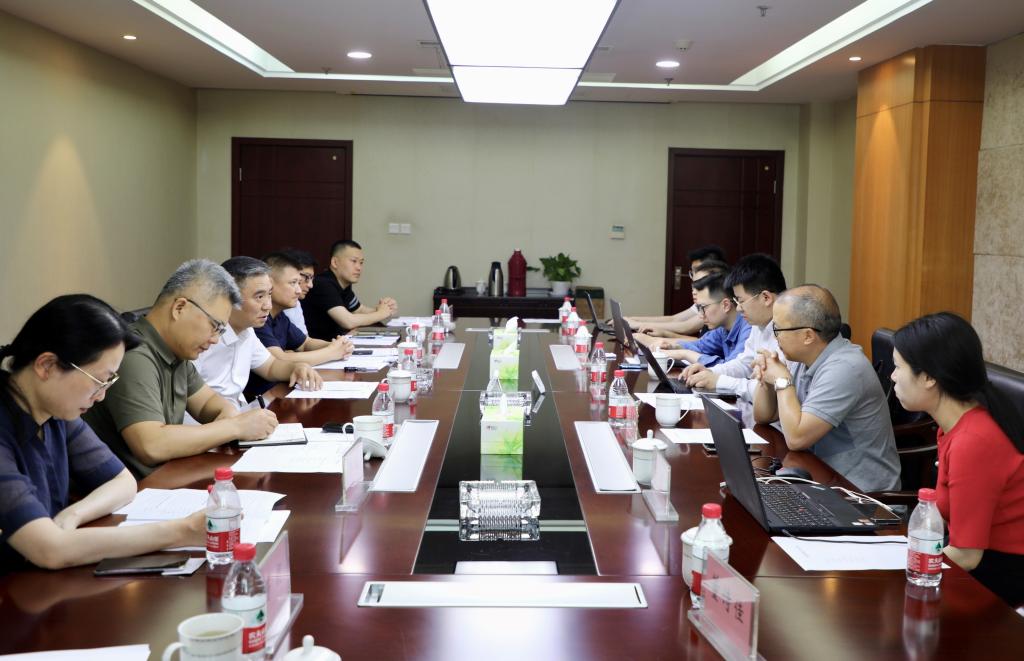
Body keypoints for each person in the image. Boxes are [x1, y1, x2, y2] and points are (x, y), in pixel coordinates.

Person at [1, 295, 205, 570]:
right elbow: (50, 550)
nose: (101, 396)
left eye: (109, 381)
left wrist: (72, 515)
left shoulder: (55, 411)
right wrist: (182, 531)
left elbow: (123, 481)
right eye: (98, 380)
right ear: (46, 365)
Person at [84, 260, 279, 477]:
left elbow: (207, 403)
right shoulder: (134, 353)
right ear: (179, 308)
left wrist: (230, 416)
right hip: (135, 489)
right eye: (214, 326)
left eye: (221, 331)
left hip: (167, 477)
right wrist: (235, 427)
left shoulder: (177, 351)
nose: (215, 339)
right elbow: (151, 445)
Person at [892, 312, 1024, 606]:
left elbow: (966, 555)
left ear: (928, 377)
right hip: (982, 564)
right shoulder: (956, 424)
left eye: (898, 367)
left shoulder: (974, 441)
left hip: (1001, 576)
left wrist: (900, 575)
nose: (892, 376)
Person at [752, 285, 900, 492]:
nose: (775, 337)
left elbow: (796, 439)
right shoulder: (802, 355)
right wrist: (766, 377)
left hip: (860, 494)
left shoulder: (845, 368)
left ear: (808, 336)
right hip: (820, 474)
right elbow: (763, 416)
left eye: (778, 329)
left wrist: (782, 381)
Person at [193, 257, 323, 407]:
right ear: (228, 297)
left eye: (269, 294)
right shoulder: (200, 338)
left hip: (239, 414)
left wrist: (296, 368)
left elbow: (270, 366)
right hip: (211, 419)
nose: (268, 305)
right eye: (259, 297)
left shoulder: (247, 330)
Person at [681, 254, 792, 404]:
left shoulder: (790, 331)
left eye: (741, 301)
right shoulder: (759, 324)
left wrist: (718, 381)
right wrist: (710, 372)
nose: (738, 308)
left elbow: (770, 391)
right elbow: (744, 363)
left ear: (766, 298)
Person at [247, 252, 354, 397]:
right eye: (293, 283)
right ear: (270, 284)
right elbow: (279, 359)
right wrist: (331, 352)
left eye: (298, 283)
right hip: (265, 397)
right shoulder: (257, 319)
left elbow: (305, 343)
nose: (299, 290)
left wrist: (337, 345)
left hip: (282, 391)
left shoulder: (280, 316)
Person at [301, 239, 398, 339]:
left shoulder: (344, 285)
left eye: (361, 263)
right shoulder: (323, 284)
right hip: (319, 346)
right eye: (354, 261)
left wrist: (384, 308)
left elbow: (359, 310)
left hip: (337, 343)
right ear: (335, 262)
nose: (359, 268)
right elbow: (348, 321)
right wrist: (381, 313)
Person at [650, 272, 750, 366]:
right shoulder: (723, 329)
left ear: (726, 305)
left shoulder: (749, 328)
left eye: (703, 307)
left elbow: (732, 369)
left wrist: (684, 354)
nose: (701, 315)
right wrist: (672, 346)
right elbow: (700, 345)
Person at [626, 248, 729, 339]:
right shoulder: (705, 301)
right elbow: (675, 319)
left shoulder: (714, 304)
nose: (694, 279)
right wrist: (633, 320)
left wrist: (638, 325)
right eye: (693, 273)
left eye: (698, 273)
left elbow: (686, 327)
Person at [282, 248, 317, 336]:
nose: (310, 285)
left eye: (312, 278)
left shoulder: (295, 303)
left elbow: (304, 340)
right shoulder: (265, 311)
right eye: (306, 277)